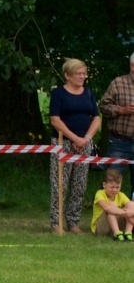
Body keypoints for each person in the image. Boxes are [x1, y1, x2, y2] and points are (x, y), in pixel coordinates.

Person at [49, 58, 101, 234]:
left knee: (80, 184)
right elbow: (55, 119)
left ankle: (73, 222)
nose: (82, 76)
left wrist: (86, 138)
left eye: (83, 73)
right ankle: (56, 222)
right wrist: (74, 138)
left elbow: (96, 117)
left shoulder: (89, 93)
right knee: (59, 184)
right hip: (62, 143)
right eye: (78, 73)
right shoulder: (58, 93)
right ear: (67, 75)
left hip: (84, 144)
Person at [99, 53, 134, 195]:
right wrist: (121, 109)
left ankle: (131, 208)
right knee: (112, 180)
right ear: (132, 66)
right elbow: (103, 106)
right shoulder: (118, 83)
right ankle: (106, 209)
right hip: (119, 141)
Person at [90, 167, 134, 240]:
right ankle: (117, 234)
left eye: (117, 187)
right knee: (111, 206)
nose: (114, 190)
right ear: (104, 185)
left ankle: (128, 233)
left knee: (131, 204)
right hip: (101, 228)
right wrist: (125, 213)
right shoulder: (100, 193)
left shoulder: (121, 195)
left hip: (117, 224)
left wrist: (131, 212)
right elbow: (106, 208)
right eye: (112, 187)